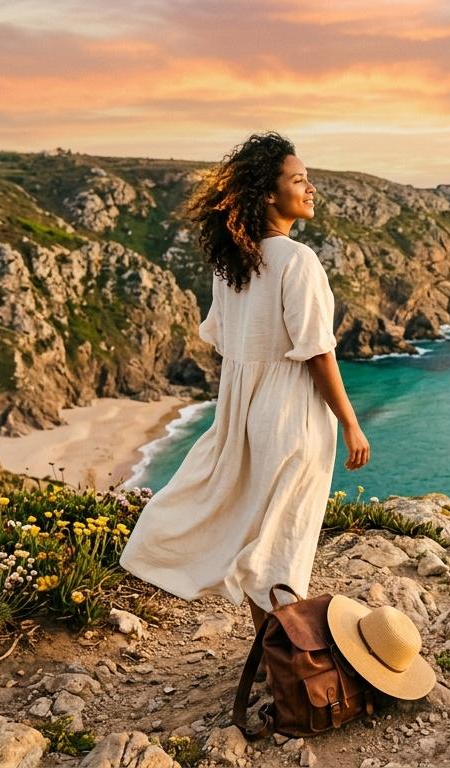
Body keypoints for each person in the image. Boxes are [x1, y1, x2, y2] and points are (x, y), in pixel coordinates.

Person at [120, 132, 370, 637]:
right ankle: (290, 670)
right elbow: (318, 351)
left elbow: (229, 342)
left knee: (259, 533)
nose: (311, 188)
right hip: (291, 413)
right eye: (299, 180)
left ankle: (270, 653)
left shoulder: (231, 261)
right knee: (284, 543)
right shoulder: (297, 261)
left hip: (242, 411)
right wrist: (350, 422)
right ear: (267, 195)